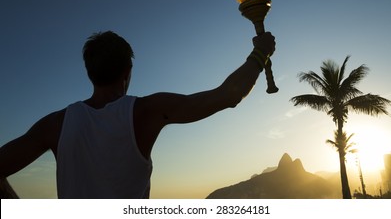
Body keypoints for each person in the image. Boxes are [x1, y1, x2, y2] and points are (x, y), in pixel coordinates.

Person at [0, 30, 276, 198]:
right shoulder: (145, 112)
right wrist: (260, 53)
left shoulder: (55, 124)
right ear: (127, 72)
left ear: (90, 73)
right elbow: (227, 95)